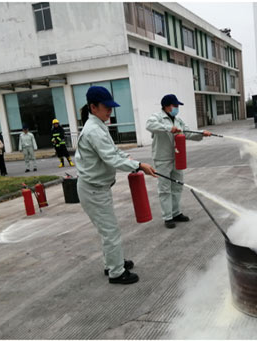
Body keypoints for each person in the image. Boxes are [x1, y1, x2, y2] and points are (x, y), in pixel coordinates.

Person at [75, 86, 157, 284]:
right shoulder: (94, 130)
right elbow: (111, 158)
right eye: (106, 107)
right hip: (93, 189)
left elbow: (114, 151)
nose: (110, 111)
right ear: (93, 107)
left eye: (111, 107)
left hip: (98, 188)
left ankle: (113, 262)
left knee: (107, 230)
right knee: (110, 231)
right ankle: (116, 272)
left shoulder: (99, 125)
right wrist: (138, 166)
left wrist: (130, 159)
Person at [145, 94, 212, 229]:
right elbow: (150, 125)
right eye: (175, 106)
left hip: (177, 157)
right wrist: (169, 128)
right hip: (162, 158)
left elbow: (187, 133)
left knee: (177, 186)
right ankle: (167, 217)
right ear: (167, 106)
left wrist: (201, 133)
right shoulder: (156, 118)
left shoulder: (178, 120)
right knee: (164, 188)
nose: (177, 108)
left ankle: (176, 213)